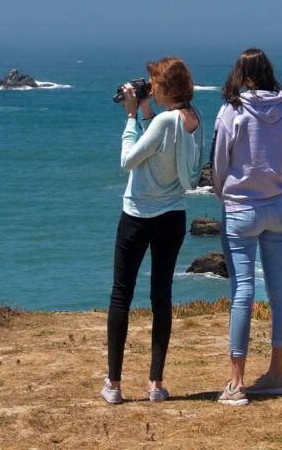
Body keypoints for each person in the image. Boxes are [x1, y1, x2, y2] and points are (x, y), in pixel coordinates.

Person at [102, 56, 204, 405]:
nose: (150, 88)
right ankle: (155, 384)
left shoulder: (162, 121)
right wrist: (147, 112)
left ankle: (114, 386)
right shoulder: (192, 118)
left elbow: (129, 159)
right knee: (161, 296)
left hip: (138, 216)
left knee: (121, 294)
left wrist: (131, 116)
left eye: (153, 83)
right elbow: (163, 151)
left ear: (165, 87)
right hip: (172, 215)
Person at [211, 48, 282, 406]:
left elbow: (218, 162)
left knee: (243, 292)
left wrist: (224, 195)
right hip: (280, 204)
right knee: (278, 290)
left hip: (242, 207)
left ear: (242, 74)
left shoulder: (233, 110)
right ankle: (276, 374)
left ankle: (236, 383)